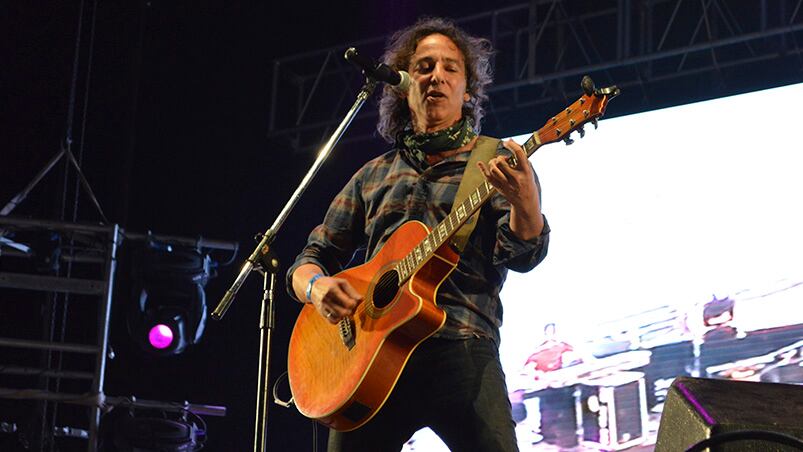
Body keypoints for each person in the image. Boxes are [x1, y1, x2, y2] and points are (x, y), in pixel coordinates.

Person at [287, 17, 550, 452]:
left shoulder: (496, 162)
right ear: (403, 86)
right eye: (424, 66)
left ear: (468, 91)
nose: (436, 77)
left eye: (451, 68)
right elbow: (309, 259)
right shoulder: (372, 175)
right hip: (368, 358)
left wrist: (526, 204)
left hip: (462, 346)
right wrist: (317, 288)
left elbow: (522, 255)